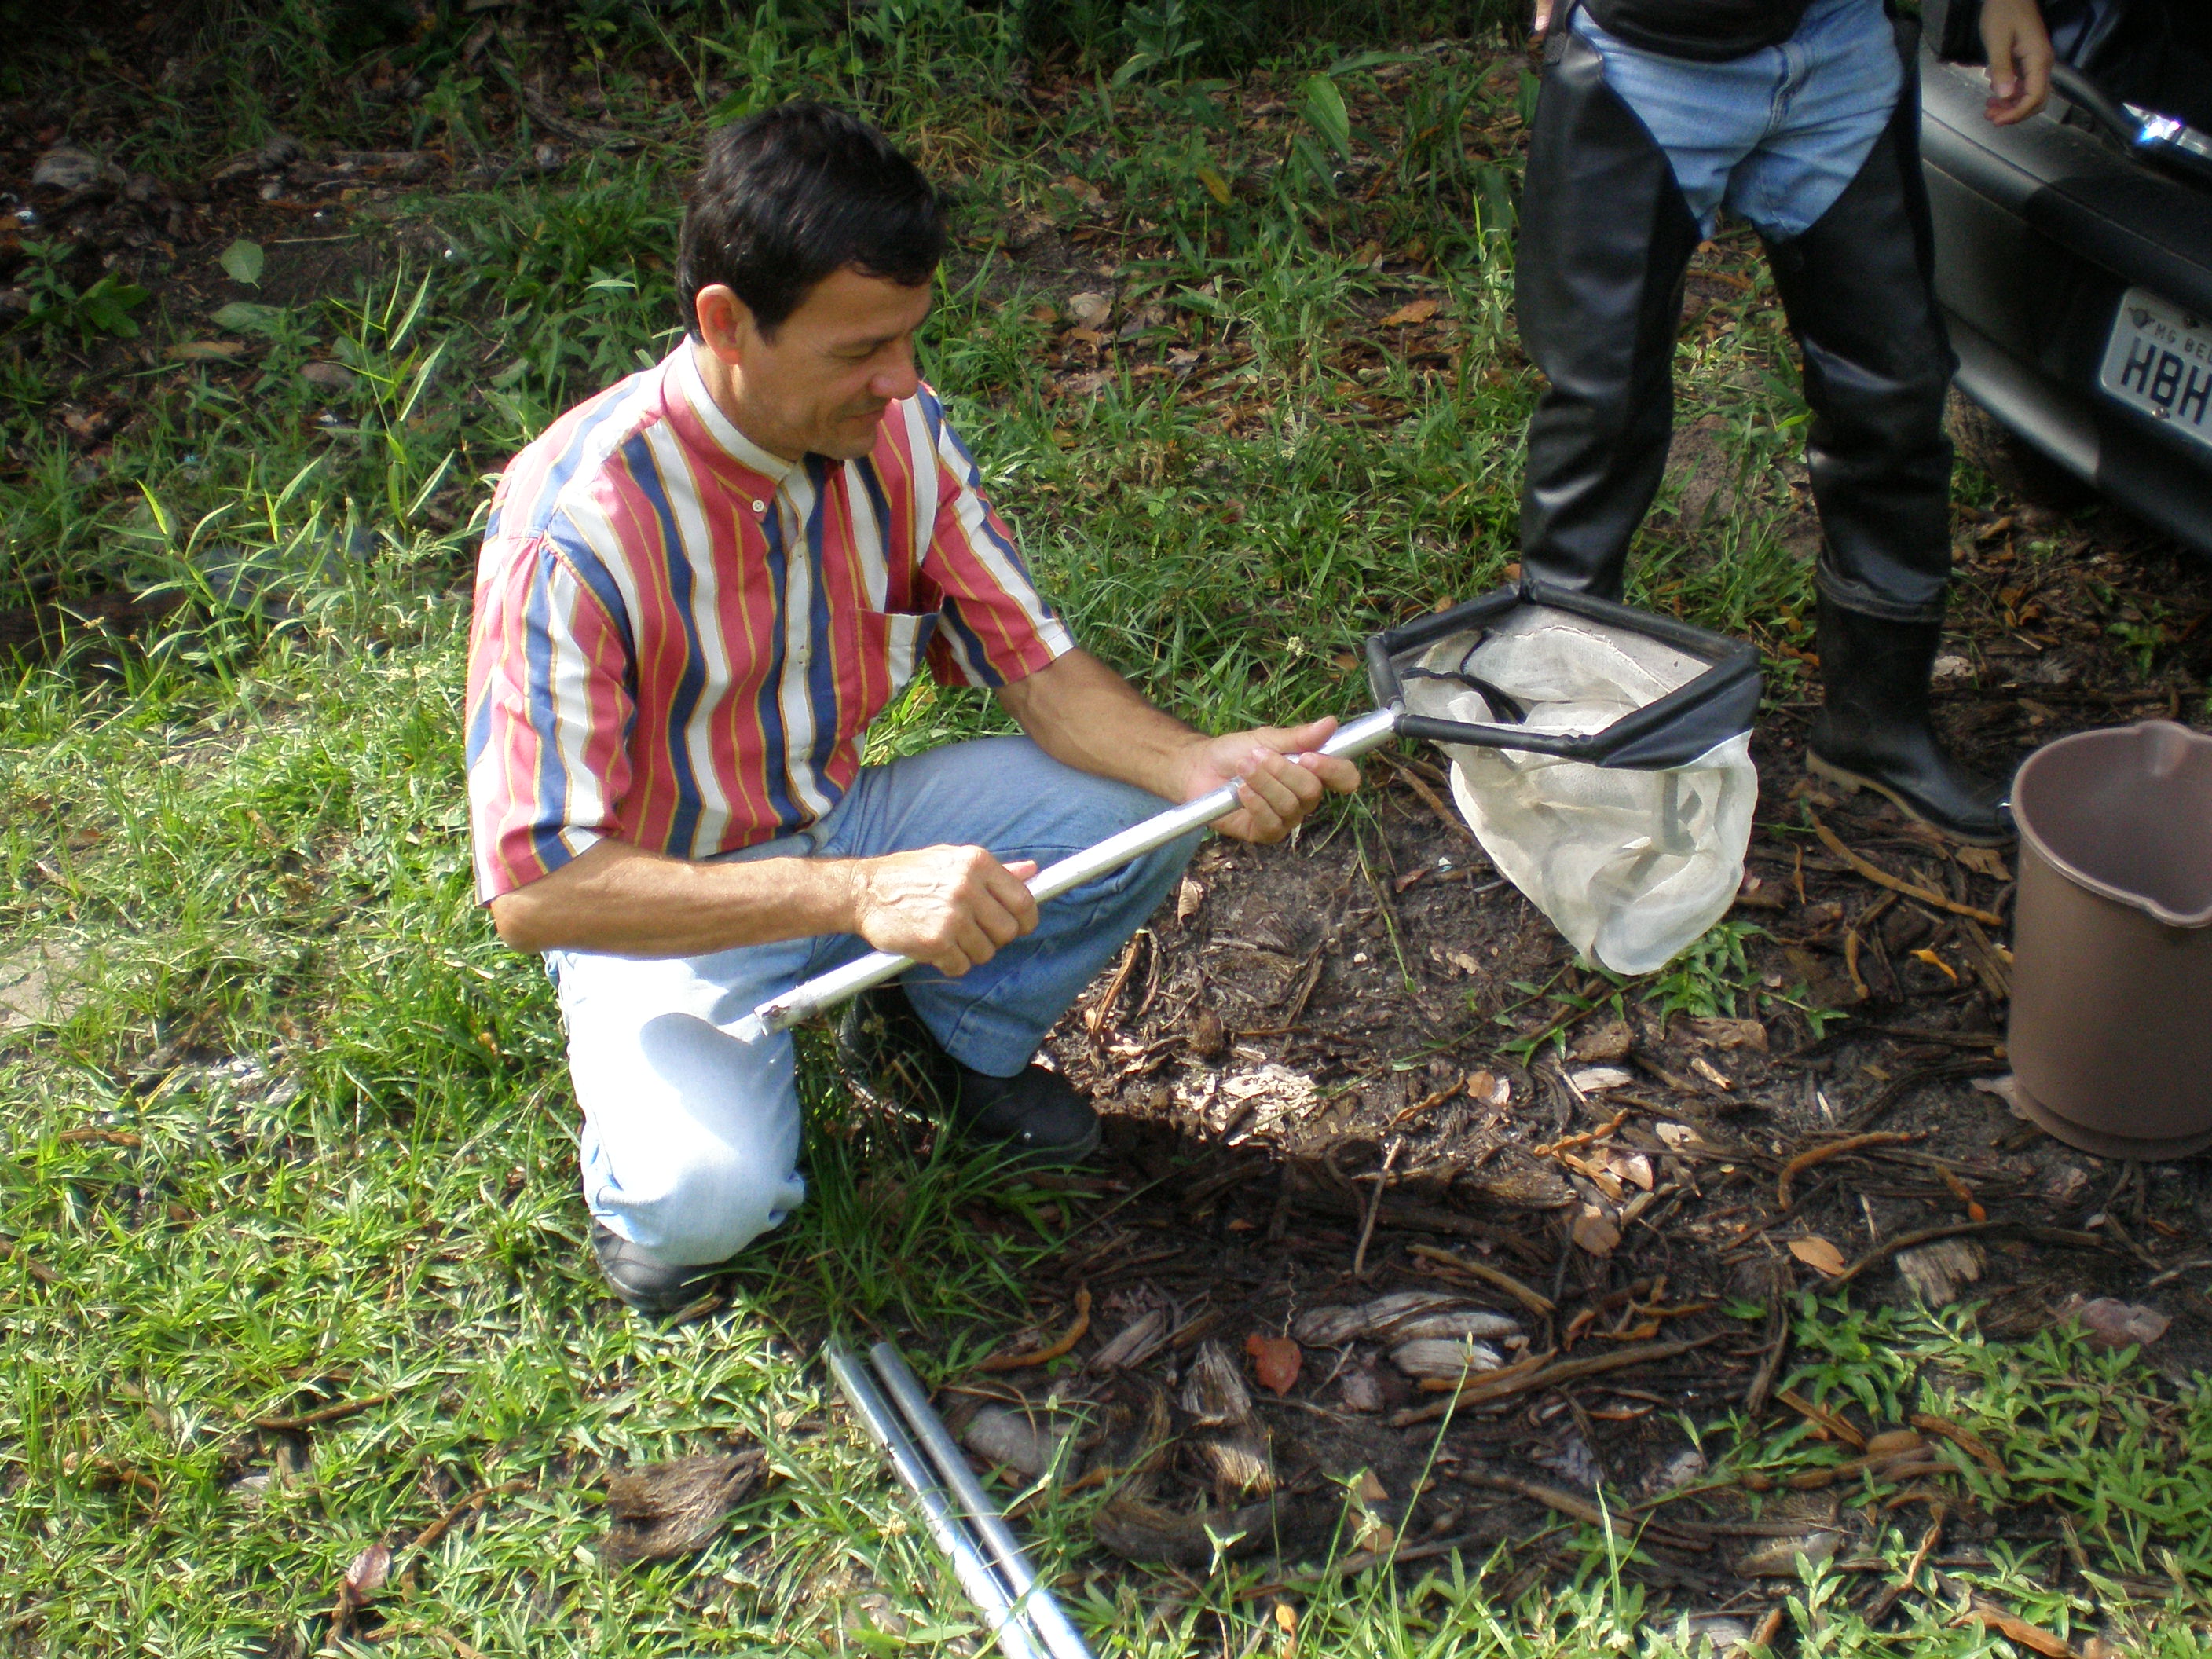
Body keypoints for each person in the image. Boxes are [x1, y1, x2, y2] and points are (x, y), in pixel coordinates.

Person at [466, 103, 1361, 1315]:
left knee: (1134, 805)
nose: (905, 381)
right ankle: (670, 1142)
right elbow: (537, 892)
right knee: (702, 1210)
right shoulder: (574, 528)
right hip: (666, 903)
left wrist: (1196, 764)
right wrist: (859, 895)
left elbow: (1034, 667)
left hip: (842, 827)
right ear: (725, 324)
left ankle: (942, 1042)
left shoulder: (901, 436)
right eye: (860, 351)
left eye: (910, 341)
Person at [1515, 0, 2055, 845]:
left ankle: (1876, 730)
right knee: (1599, 418)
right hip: (1642, 61)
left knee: (1893, 397)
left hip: (1838, 50)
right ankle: (1564, 748)